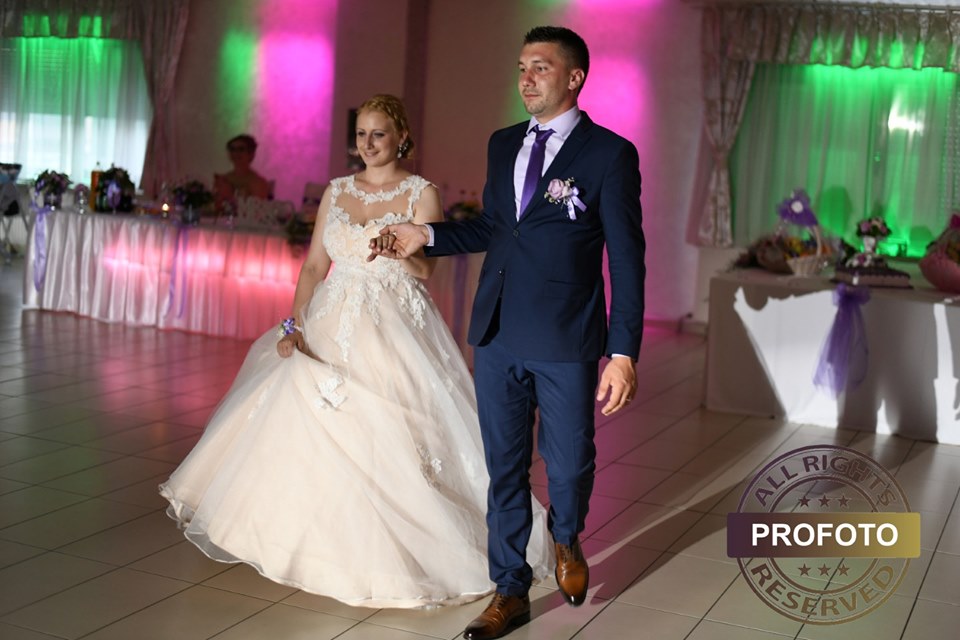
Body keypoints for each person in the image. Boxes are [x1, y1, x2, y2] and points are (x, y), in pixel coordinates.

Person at [160, 95, 553, 608]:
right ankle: (307, 547)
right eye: (361, 134)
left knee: (391, 435)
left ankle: (400, 555)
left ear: (401, 137)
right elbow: (312, 268)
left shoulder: (421, 193)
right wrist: (292, 326)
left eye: (378, 134)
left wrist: (400, 251)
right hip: (329, 321)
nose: (367, 144)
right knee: (309, 428)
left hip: (392, 328)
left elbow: (426, 270)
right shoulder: (337, 191)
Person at [370, 26, 645, 639]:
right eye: (522, 67)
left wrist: (623, 352)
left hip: (566, 337)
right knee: (505, 469)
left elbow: (627, 260)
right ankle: (510, 590)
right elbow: (496, 228)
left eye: (540, 67)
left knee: (569, 465)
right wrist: (427, 235)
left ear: (574, 77)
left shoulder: (610, 154)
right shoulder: (503, 144)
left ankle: (566, 536)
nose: (526, 79)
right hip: (496, 332)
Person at [213, 134, 272, 213]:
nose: (236, 153)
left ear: (251, 154)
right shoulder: (224, 179)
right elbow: (216, 209)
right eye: (232, 149)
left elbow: (256, 212)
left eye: (241, 149)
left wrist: (229, 196)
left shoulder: (258, 182)